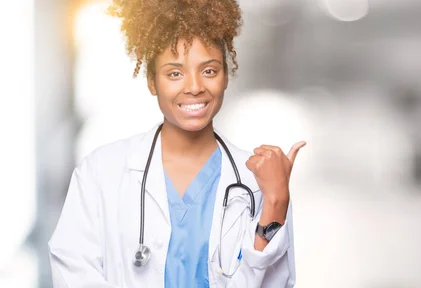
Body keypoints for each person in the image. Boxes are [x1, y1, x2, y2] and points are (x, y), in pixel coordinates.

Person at [48, 0, 304, 287]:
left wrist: (276, 202)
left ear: (226, 77)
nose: (194, 87)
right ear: (152, 82)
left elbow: (276, 282)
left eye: (209, 70)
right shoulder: (100, 172)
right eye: (174, 73)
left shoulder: (259, 182)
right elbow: (73, 272)